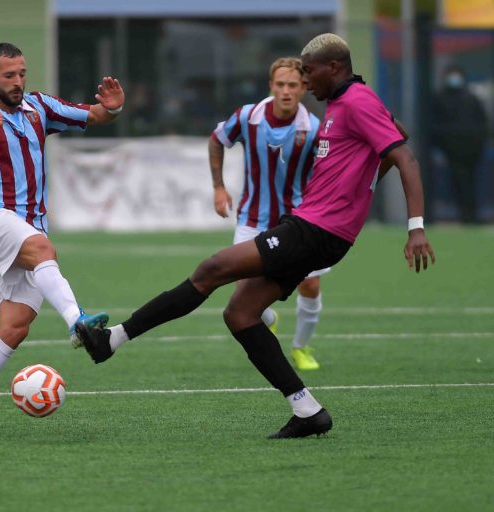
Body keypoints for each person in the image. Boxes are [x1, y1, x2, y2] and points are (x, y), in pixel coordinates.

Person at [75, 33, 435, 439]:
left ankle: (112, 340)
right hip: (309, 225)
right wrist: (361, 186)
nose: (304, 81)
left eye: (308, 72)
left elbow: (404, 155)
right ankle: (307, 410)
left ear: (334, 68)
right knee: (240, 314)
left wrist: (415, 228)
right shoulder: (338, 103)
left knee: (212, 269)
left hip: (316, 230)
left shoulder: (355, 101)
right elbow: (395, 132)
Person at [0, 42, 125, 438]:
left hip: (31, 226)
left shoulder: (38, 107)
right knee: (42, 248)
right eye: (9, 76)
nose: (17, 81)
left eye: (21, 73)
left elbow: (94, 114)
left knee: (14, 329)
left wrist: (113, 108)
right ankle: (77, 322)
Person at [209, 57, 326, 371]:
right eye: (280, 84)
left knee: (310, 285)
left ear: (303, 88)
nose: (286, 91)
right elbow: (217, 140)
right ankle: (269, 318)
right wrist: (219, 187)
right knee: (244, 294)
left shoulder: (314, 129)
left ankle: (301, 347)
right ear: (271, 86)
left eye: (293, 85)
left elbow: (326, 172)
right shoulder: (248, 117)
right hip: (253, 218)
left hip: (300, 221)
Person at [430, 65, 488, 224]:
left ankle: (471, 214)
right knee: (458, 182)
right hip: (452, 150)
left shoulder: (471, 98)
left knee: (470, 182)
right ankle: (464, 214)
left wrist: (478, 142)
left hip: (471, 150)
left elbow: (482, 123)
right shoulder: (440, 98)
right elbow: (435, 124)